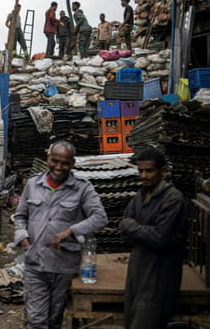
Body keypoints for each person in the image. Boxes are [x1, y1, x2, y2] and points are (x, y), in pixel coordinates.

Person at [13, 141, 108, 329]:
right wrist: (24, 240)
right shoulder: (33, 184)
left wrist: (70, 231)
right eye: (55, 161)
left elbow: (100, 217)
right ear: (48, 159)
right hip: (35, 263)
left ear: (72, 163)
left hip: (63, 265)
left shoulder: (82, 188)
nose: (59, 167)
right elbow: (20, 216)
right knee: (37, 321)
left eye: (65, 163)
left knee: (54, 319)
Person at [120, 148, 188, 329]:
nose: (144, 176)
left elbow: (160, 237)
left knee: (147, 320)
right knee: (131, 318)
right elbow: (124, 233)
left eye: (149, 171)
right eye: (140, 171)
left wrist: (133, 227)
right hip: (137, 267)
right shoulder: (140, 196)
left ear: (163, 170)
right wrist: (138, 231)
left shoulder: (173, 199)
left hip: (159, 272)